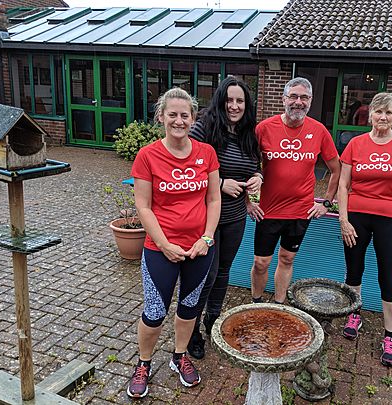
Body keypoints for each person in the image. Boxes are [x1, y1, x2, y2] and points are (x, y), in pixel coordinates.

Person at [127, 87, 221, 398]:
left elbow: (213, 198)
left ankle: (179, 357)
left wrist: (207, 237)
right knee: (155, 312)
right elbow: (143, 206)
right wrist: (165, 244)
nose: (178, 120)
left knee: (189, 307)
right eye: (172, 114)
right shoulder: (148, 155)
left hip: (199, 249)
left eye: (185, 115)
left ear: (193, 118)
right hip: (160, 250)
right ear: (161, 117)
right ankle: (143, 363)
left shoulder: (206, 153)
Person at [337, 92, 392, 367]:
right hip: (357, 217)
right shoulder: (355, 144)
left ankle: (390, 336)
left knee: (388, 276)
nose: (383, 118)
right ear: (369, 114)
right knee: (354, 270)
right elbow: (343, 186)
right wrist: (344, 219)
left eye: (388, 113)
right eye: (378, 112)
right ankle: (354, 314)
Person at [187, 76, 262, 359]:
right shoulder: (204, 127)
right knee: (205, 274)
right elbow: (186, 165)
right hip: (205, 217)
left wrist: (258, 177)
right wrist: (219, 184)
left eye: (239, 101)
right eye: (229, 100)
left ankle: (212, 320)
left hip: (235, 216)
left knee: (223, 272)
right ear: (220, 101)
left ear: (246, 104)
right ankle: (191, 328)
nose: (234, 105)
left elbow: (257, 165)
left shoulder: (248, 134)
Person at [250, 77, 341, 304]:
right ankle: (256, 301)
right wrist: (248, 201)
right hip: (267, 210)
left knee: (287, 259)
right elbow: (247, 166)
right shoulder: (264, 128)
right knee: (261, 263)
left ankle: (279, 304)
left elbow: (336, 169)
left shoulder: (319, 131)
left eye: (304, 97)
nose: (298, 102)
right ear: (284, 99)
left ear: (310, 101)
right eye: (293, 96)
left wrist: (327, 202)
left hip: (300, 211)